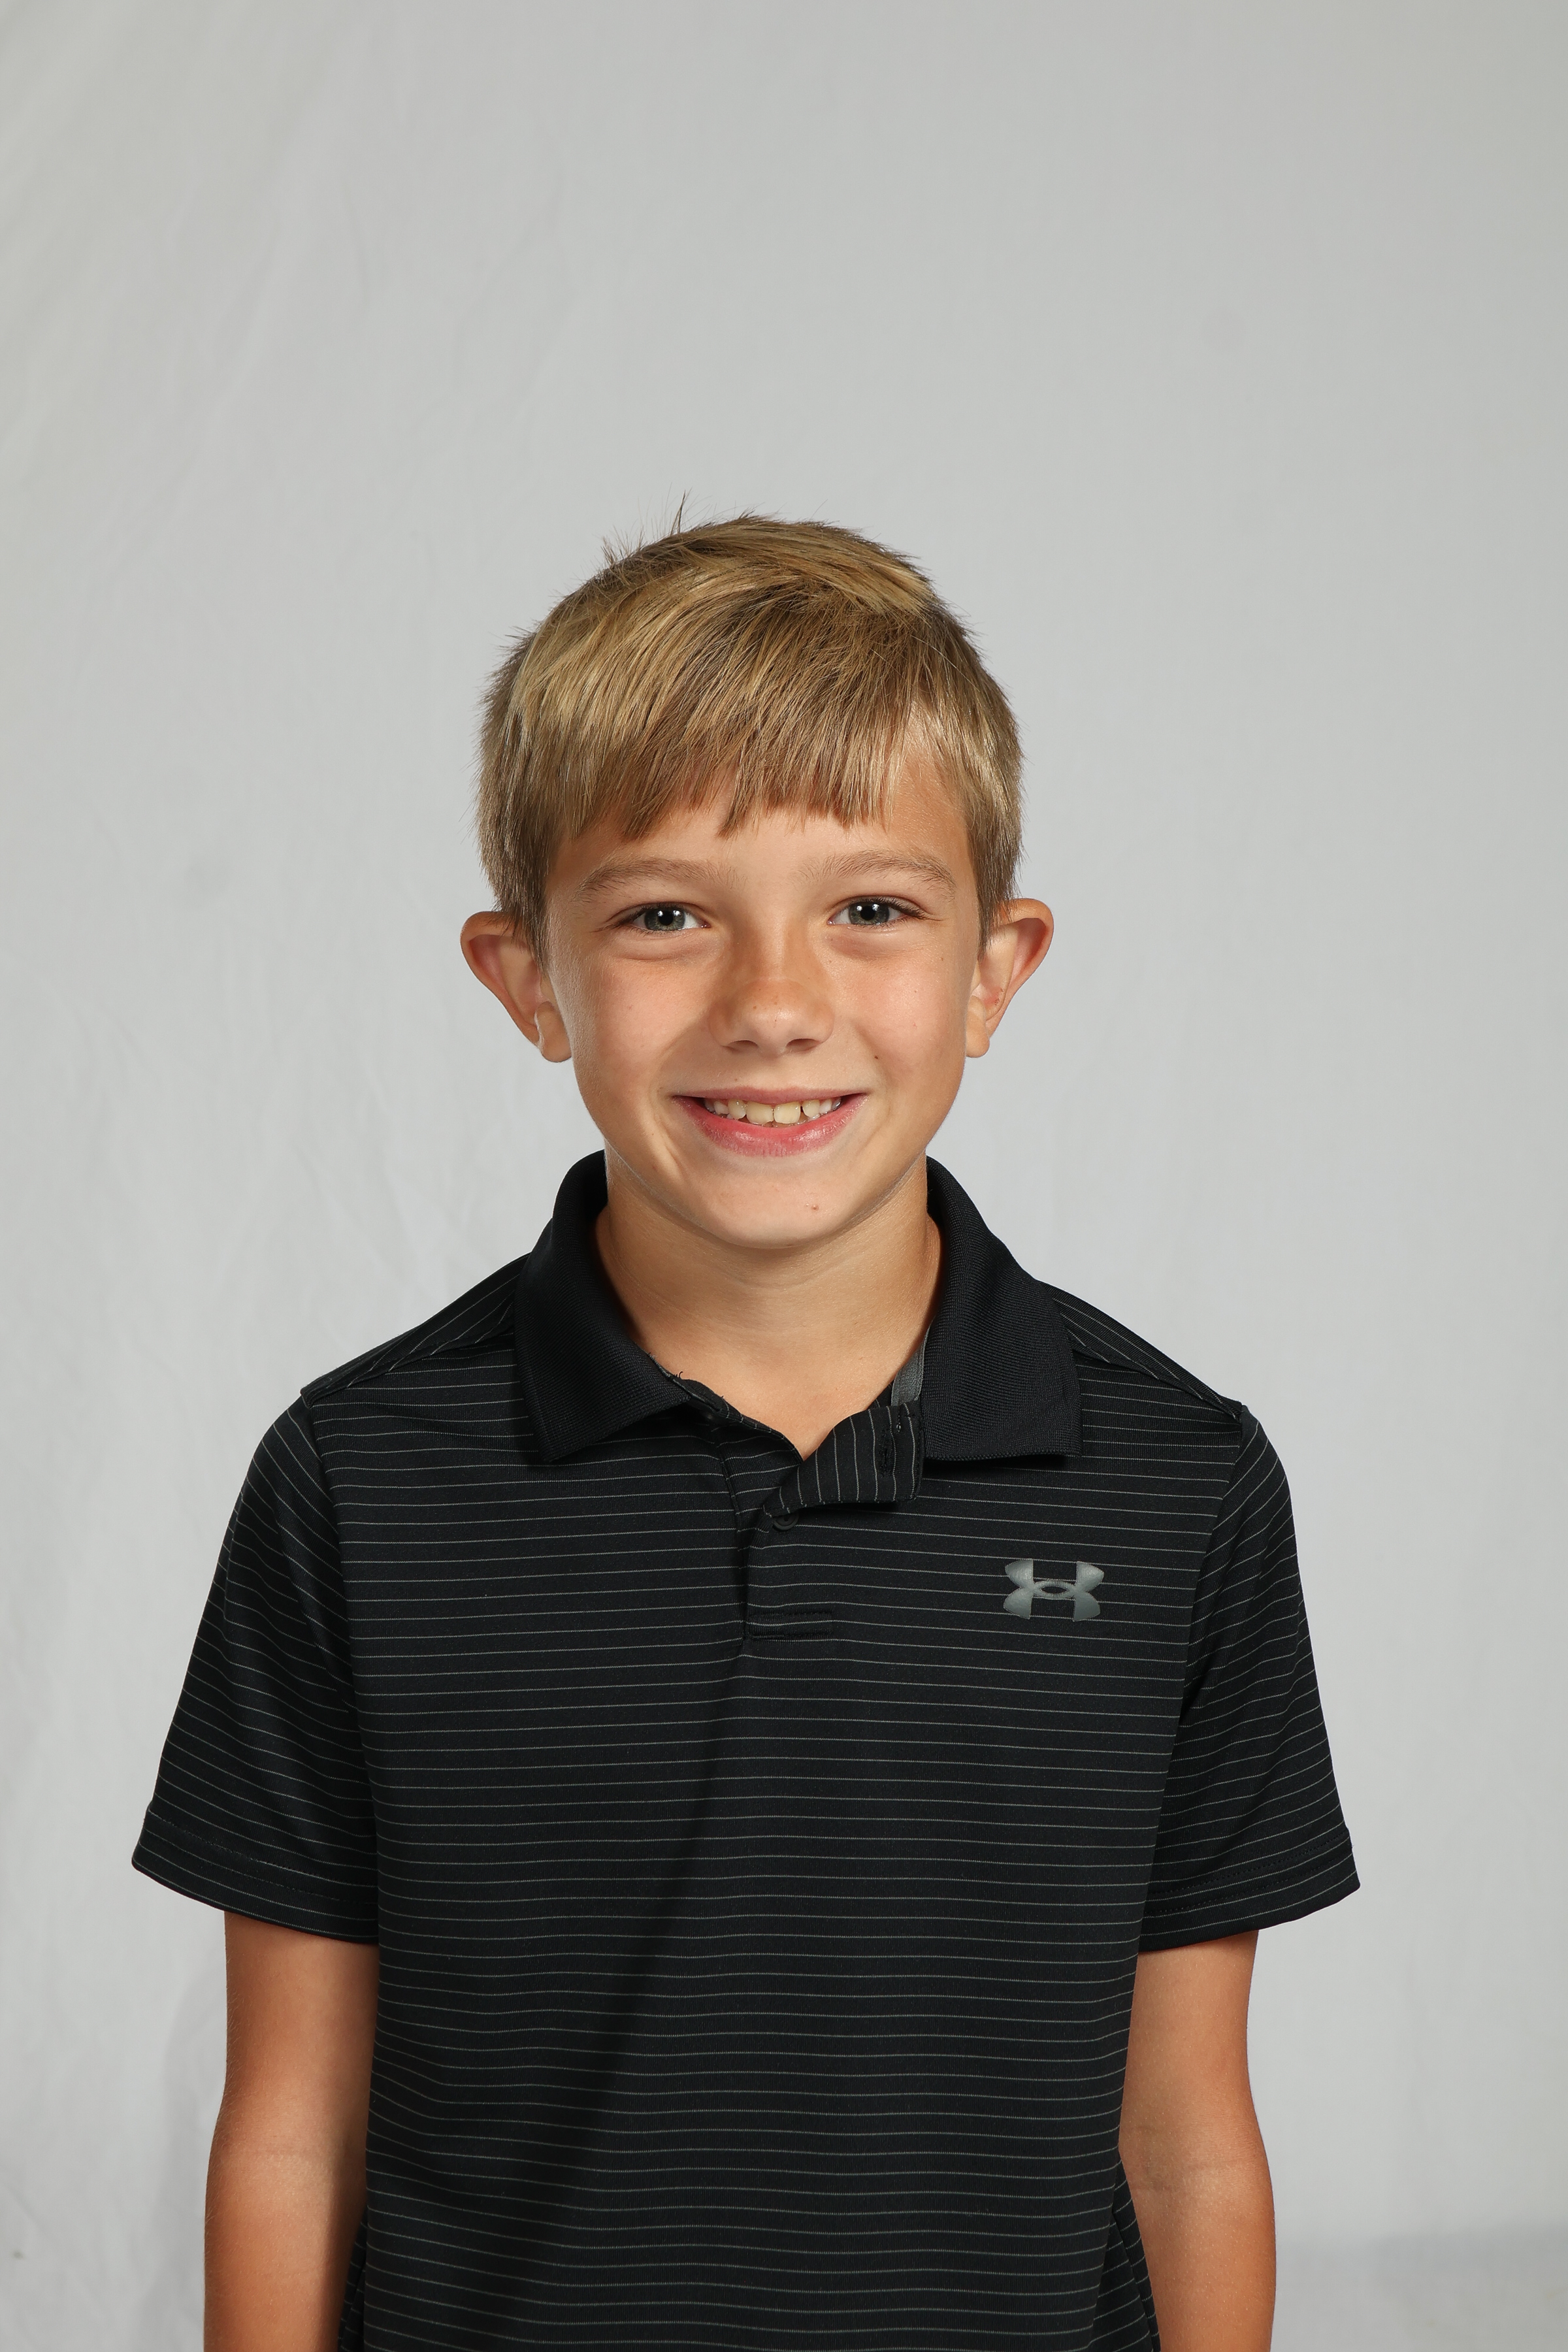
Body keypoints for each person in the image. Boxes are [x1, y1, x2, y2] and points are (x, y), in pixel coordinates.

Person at [134, 517, 1357, 2352]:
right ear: (527, 976)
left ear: (996, 968)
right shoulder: (360, 1481)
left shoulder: (1181, 1486)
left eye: (871, 910)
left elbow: (1185, 2146)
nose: (774, 1005)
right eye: (663, 915)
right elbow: (295, 2134)